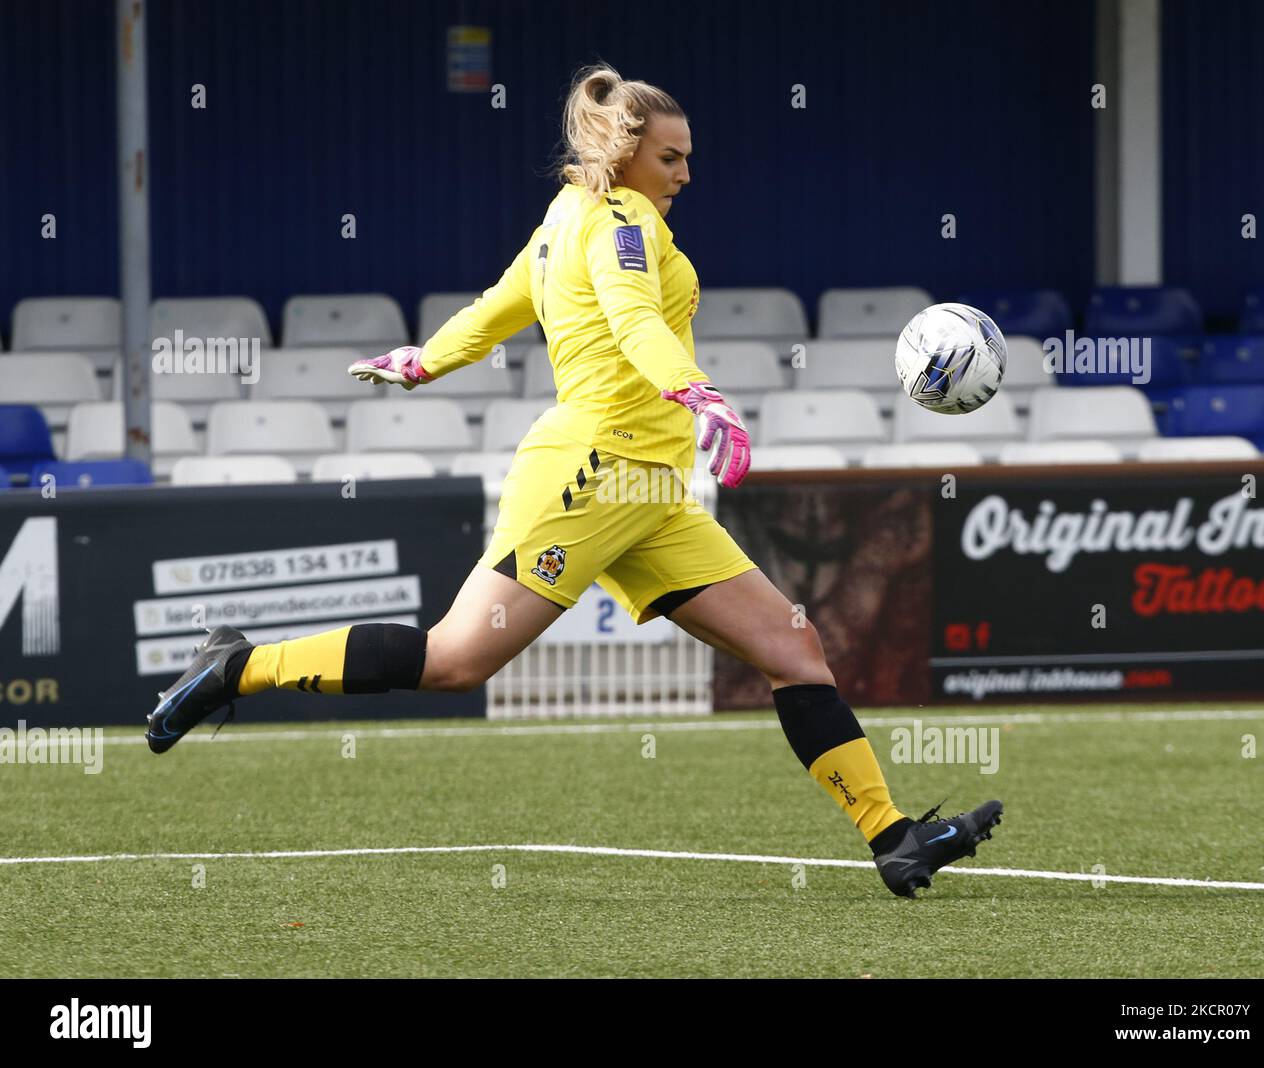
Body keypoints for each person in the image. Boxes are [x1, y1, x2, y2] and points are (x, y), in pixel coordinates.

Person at [146, 63, 1001, 898]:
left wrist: (424, 361)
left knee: (793, 647)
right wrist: (697, 392)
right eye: (672, 157)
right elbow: (626, 317)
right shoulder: (622, 221)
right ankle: (238, 667)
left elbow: (496, 307)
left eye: (687, 157)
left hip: (651, 495)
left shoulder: (567, 216)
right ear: (626, 153)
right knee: (454, 660)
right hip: (594, 475)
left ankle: (894, 839)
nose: (686, 174)